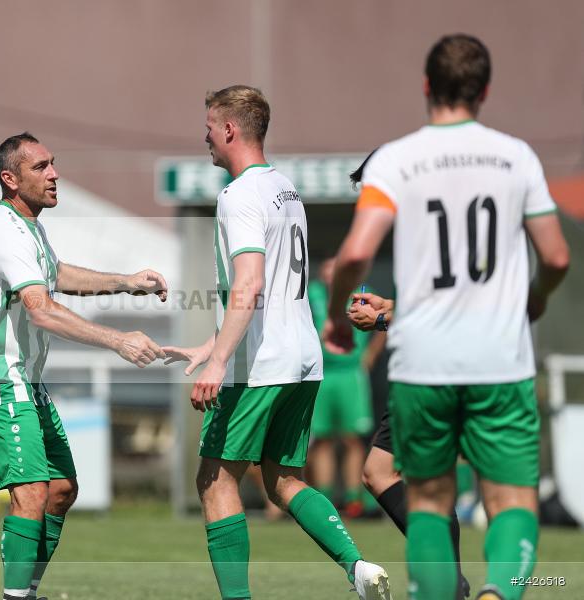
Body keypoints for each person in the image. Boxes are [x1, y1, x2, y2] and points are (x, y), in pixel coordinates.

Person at [324, 34, 570, 600]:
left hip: (425, 365)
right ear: (485, 91)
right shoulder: (516, 156)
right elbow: (556, 256)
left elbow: (357, 253)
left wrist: (339, 317)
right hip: (499, 359)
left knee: (430, 501)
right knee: (510, 501)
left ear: (426, 86)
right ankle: (495, 594)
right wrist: (535, 297)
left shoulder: (400, 159)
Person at [163, 85, 390, 600]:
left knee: (215, 480)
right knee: (285, 482)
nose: (205, 139)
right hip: (302, 359)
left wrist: (219, 361)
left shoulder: (238, 195)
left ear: (229, 129)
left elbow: (250, 284)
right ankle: (357, 567)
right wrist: (212, 343)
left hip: (258, 366)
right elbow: (277, 298)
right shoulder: (286, 189)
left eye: (208, 129)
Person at [0, 132, 169, 600]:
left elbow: (55, 274)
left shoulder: (28, 227)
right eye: (40, 168)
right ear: (9, 179)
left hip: (26, 383)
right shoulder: (4, 231)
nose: (54, 174)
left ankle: (25, 590)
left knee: (60, 491)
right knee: (32, 493)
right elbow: (42, 308)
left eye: (53, 164)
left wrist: (125, 282)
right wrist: (118, 340)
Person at [347, 155, 472, 599]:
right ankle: (452, 582)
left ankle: (451, 583)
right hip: (448, 363)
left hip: (433, 367)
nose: (368, 205)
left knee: (399, 476)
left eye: (369, 192)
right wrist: (387, 308)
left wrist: (379, 323)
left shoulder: (423, 228)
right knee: (393, 474)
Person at [306, 257, 384, 517]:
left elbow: (384, 324)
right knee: (322, 439)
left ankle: (354, 500)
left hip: (351, 373)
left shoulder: (362, 293)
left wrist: (369, 356)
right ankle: (326, 499)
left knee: (352, 438)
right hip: (322, 373)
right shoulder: (312, 294)